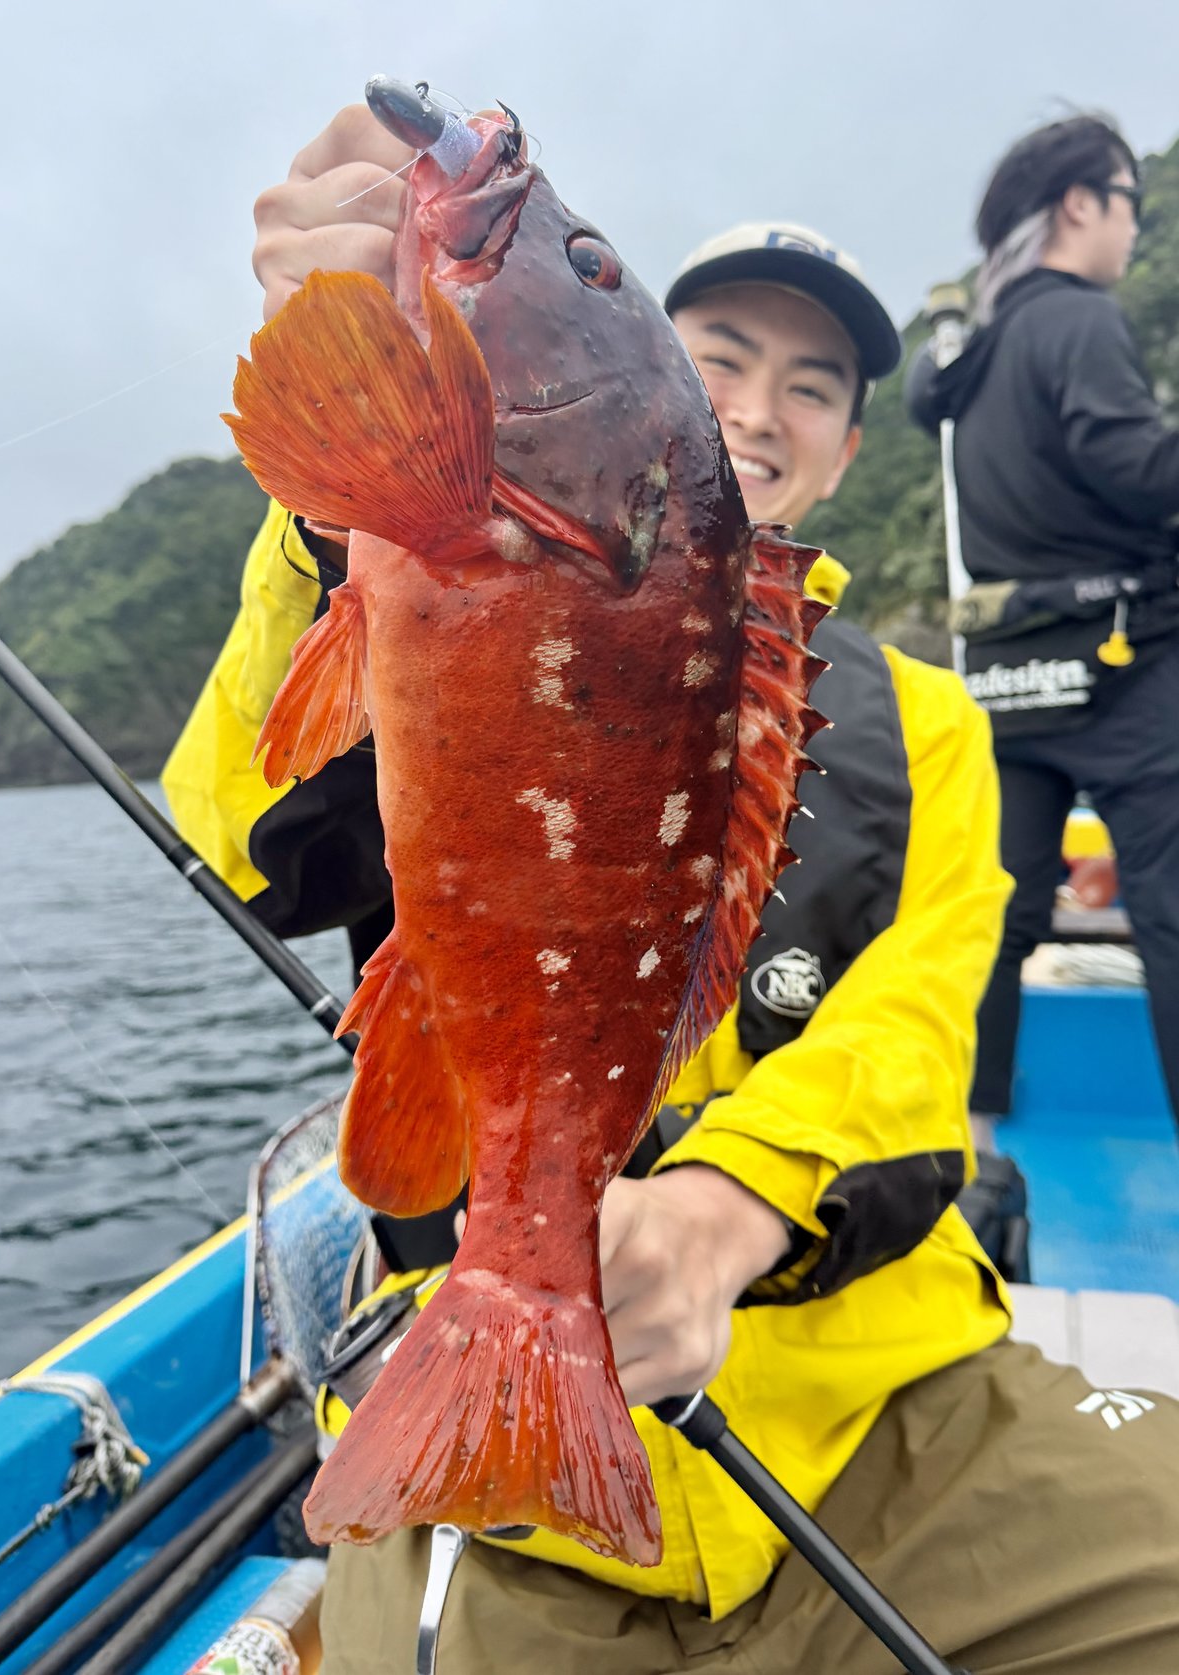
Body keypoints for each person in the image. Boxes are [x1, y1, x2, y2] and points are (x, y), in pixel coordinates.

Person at [166, 105, 1179, 1671]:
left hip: (892, 1412)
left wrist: (720, 1213)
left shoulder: (931, 720)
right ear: (659, 378)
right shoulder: (401, 552)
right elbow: (249, 838)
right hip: (507, 1486)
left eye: (814, 386)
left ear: (850, 449)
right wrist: (334, 504)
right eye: (721, 357)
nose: (760, 410)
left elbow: (920, 1022)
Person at [906, 113, 1179, 1128]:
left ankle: (968, 1152)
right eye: (1127, 203)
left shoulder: (968, 358)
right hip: (1125, 665)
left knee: (997, 916)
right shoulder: (1078, 318)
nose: (1132, 228)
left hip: (1011, 677)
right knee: (1170, 911)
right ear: (1079, 204)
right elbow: (1128, 461)